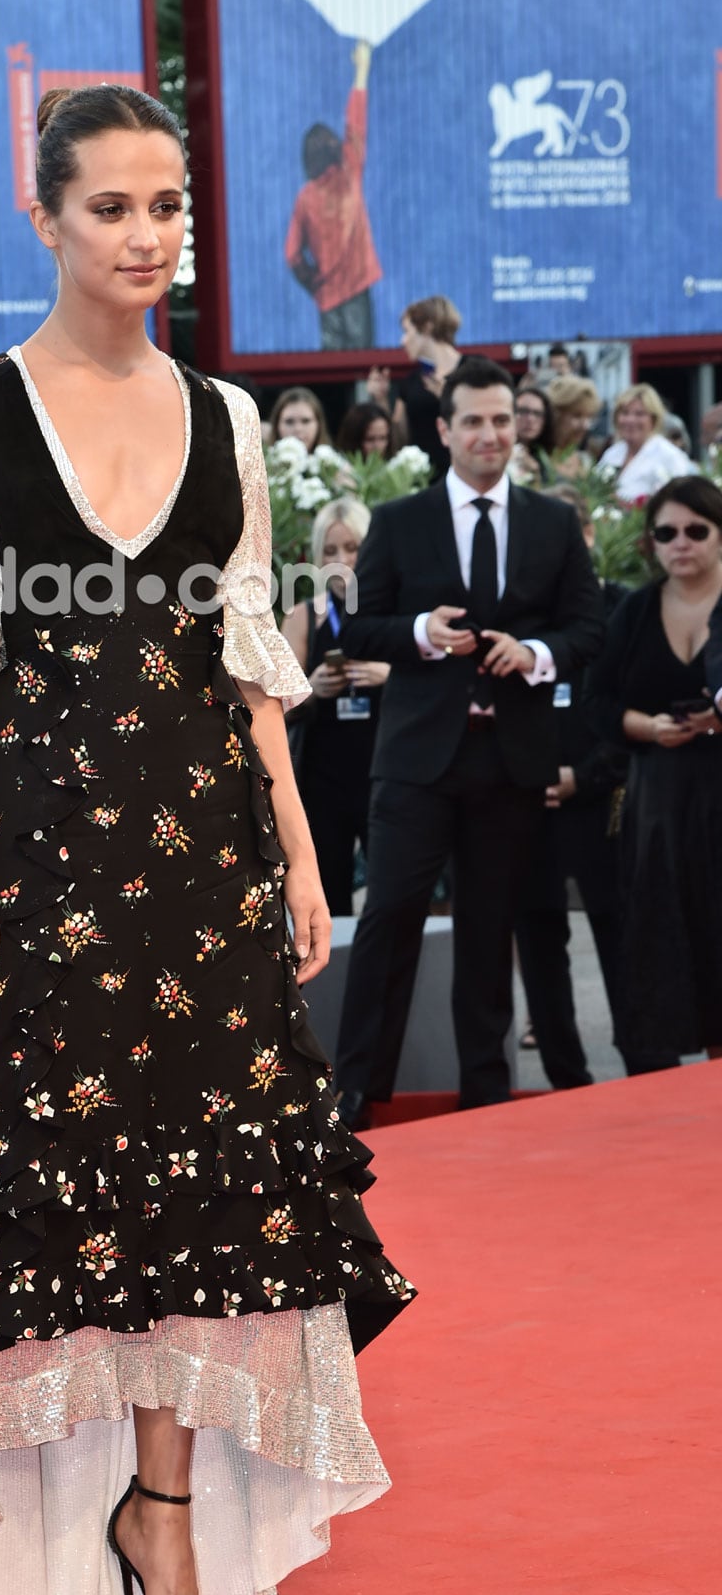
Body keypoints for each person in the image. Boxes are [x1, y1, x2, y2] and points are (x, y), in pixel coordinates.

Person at [0, 82, 414, 1595]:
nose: (148, 236)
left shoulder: (231, 421)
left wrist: (305, 856)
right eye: (112, 207)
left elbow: (249, 675)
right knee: (7, 1198)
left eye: (168, 205)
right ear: (44, 218)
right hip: (41, 866)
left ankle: (159, 1522)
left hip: (202, 869)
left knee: (207, 1208)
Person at [333, 358, 604, 1120]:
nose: (491, 434)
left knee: (491, 929)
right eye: (475, 421)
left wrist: (535, 654)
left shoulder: (552, 522)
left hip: (510, 757)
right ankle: (357, 1088)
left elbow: (588, 625)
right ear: (445, 430)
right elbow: (355, 624)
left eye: (502, 420)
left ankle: (487, 1090)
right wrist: (421, 632)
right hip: (418, 758)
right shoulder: (399, 520)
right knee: (390, 916)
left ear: (517, 429)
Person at [584, 476, 722, 1071]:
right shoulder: (637, 610)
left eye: (697, 530)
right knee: (668, 937)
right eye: (666, 532)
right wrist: (649, 726)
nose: (681, 543)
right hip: (660, 802)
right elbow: (597, 702)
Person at [512, 486, 631, 1087]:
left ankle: (644, 1059)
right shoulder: (518, 615)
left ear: (587, 537)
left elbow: (630, 708)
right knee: (538, 931)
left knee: (617, 926)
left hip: (600, 799)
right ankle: (566, 1076)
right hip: (530, 797)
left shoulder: (620, 607)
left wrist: (584, 777)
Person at [282, 498, 388, 914]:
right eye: (330, 551)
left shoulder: (391, 612)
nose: (342, 560)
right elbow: (278, 704)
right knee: (329, 892)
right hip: (325, 775)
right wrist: (311, 687)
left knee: (390, 891)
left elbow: (430, 680)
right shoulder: (305, 615)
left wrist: (386, 674)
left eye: (352, 548)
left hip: (383, 769)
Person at [285, 41, 380, 350]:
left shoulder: (305, 197)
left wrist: (314, 282)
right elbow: (356, 123)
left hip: (327, 299)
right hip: (357, 291)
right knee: (364, 369)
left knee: (332, 370)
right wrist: (362, 71)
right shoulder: (349, 171)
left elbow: (292, 255)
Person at [369, 296, 463, 478]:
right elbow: (399, 440)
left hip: (467, 478)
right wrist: (381, 399)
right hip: (424, 483)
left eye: (407, 331)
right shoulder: (411, 382)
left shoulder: (474, 370)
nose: (403, 341)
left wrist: (450, 398)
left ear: (427, 327)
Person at [597, 384, 695, 503]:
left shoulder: (669, 455)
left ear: (653, 419)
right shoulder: (612, 453)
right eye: (625, 413)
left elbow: (679, 500)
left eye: (639, 414)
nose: (630, 420)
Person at [546, 375, 603, 478]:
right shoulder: (536, 459)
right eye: (577, 415)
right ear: (556, 414)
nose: (585, 425)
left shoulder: (585, 462)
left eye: (589, 417)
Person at [509, 386, 556, 486]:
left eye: (537, 413)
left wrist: (536, 473)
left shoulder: (544, 457)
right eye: (523, 411)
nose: (530, 419)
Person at [268, 385, 330, 451]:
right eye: (289, 422)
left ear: (319, 424)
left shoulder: (335, 460)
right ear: (276, 425)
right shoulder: (266, 459)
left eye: (306, 421)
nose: (298, 429)